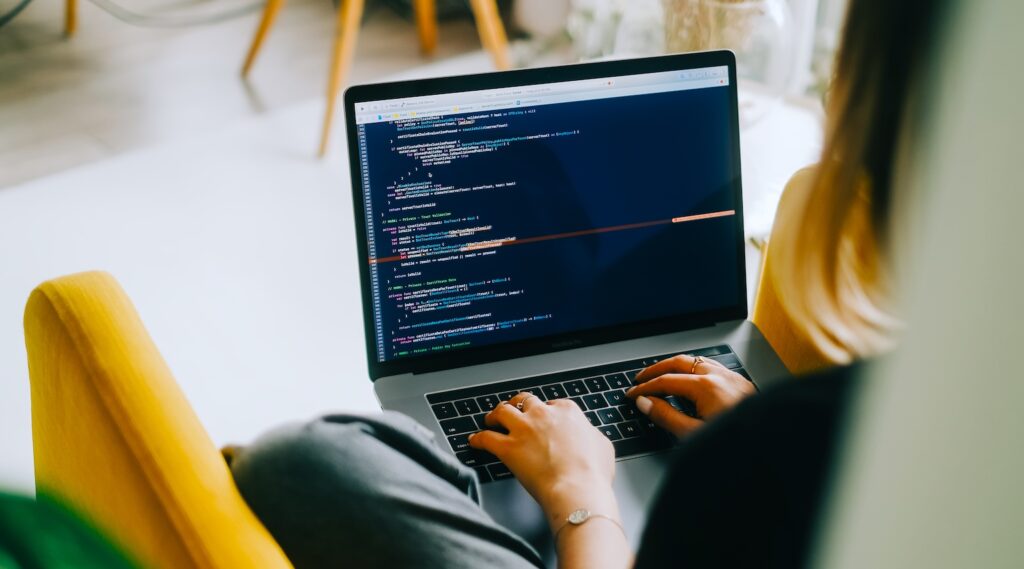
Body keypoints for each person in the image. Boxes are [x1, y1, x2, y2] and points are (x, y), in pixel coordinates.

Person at [227, 0, 950, 567]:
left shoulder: (802, 445)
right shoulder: (888, 424)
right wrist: (760, 434)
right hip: (733, 439)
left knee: (306, 460)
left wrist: (581, 494)